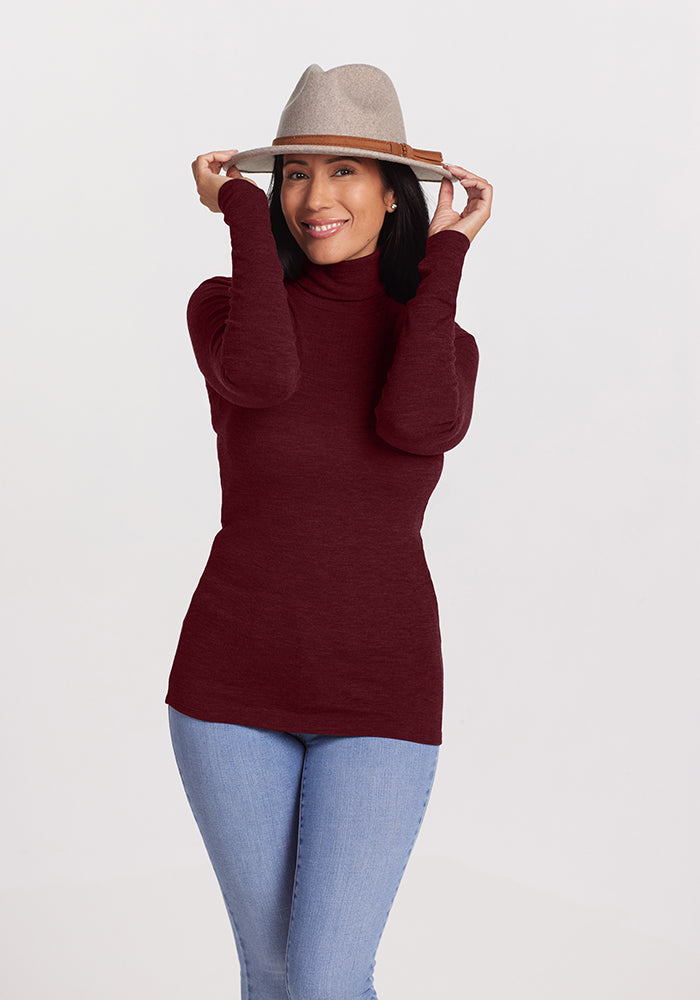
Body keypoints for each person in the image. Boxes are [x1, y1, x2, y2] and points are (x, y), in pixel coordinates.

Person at [165, 62, 492, 1000]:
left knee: (328, 975)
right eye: (295, 172)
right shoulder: (223, 312)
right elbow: (267, 377)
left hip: (379, 687)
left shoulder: (440, 343)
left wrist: (446, 264)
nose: (315, 196)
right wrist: (237, 209)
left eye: (346, 170)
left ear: (394, 196)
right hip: (230, 681)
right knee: (270, 970)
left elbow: (415, 426)